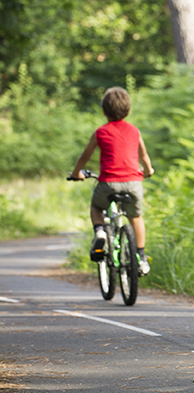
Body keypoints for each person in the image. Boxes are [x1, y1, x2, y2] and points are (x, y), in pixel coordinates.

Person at [71, 86, 154, 276]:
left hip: (108, 183)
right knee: (136, 217)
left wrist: (76, 173)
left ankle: (100, 231)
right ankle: (141, 258)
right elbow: (143, 155)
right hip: (133, 183)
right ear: (128, 111)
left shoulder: (100, 132)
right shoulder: (134, 131)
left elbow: (85, 156)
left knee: (96, 207)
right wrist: (148, 171)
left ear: (104, 111)